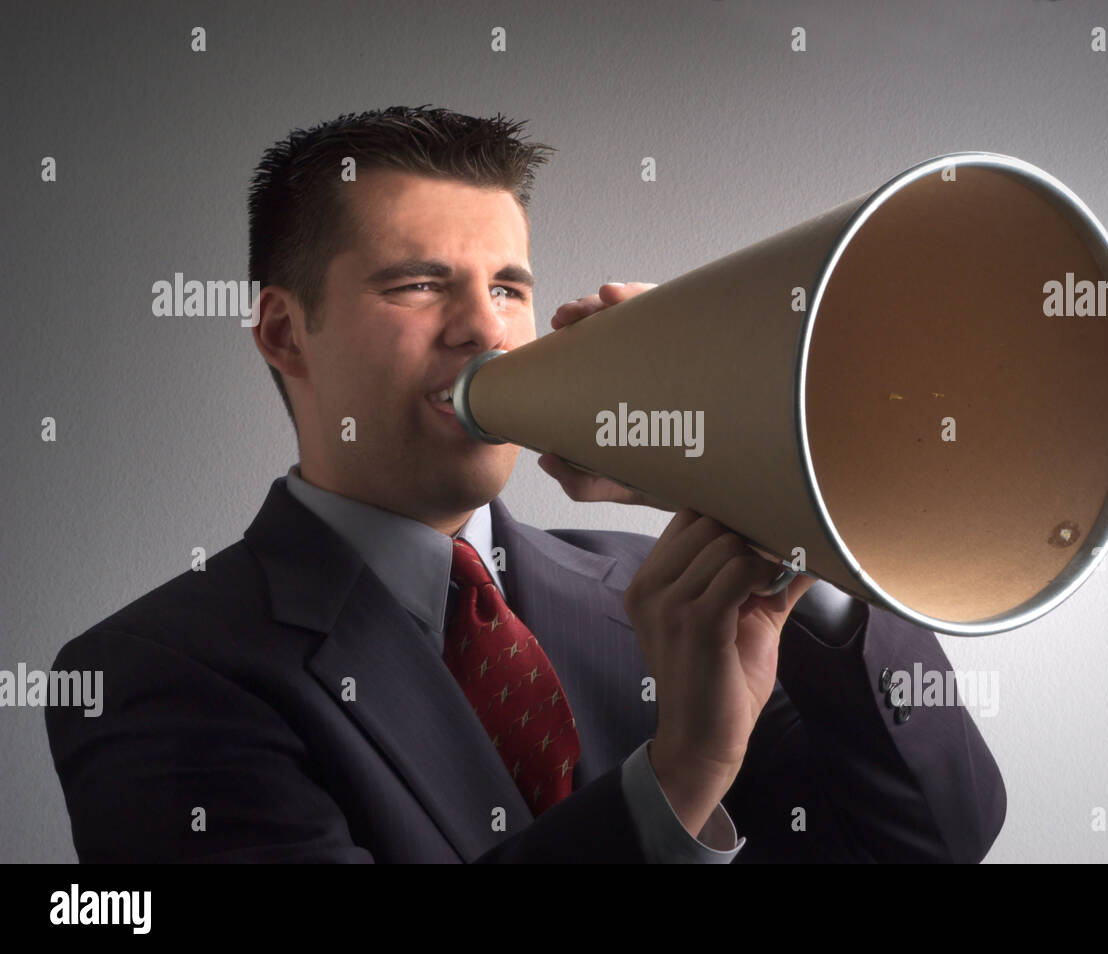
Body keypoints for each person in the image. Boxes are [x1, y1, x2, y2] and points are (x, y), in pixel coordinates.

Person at [45, 106, 1006, 863]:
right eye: (418, 284)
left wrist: (786, 522)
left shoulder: (671, 593)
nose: (486, 329)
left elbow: (935, 838)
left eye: (508, 286)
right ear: (285, 333)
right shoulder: (156, 671)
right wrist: (674, 783)